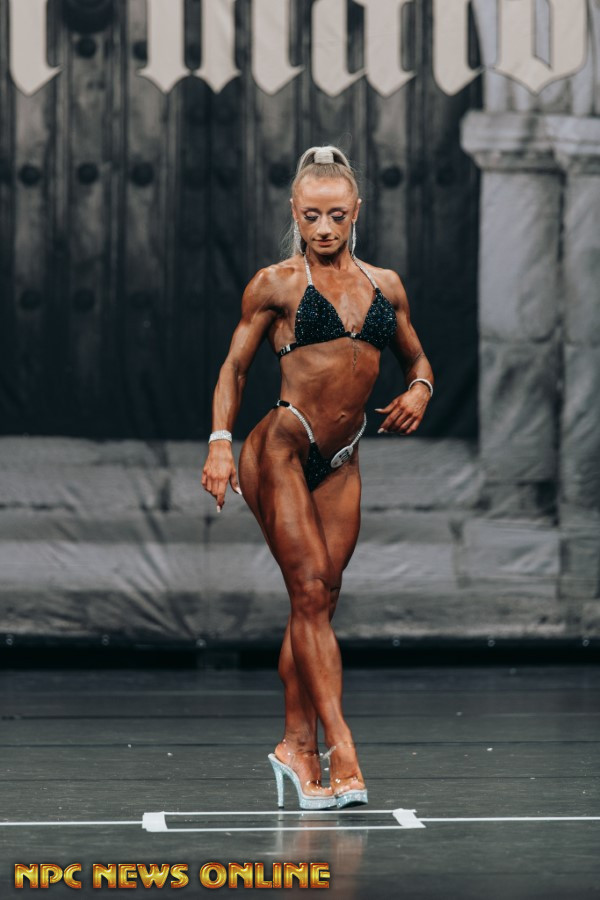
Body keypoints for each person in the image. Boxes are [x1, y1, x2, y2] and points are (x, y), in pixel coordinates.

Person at [201, 145, 434, 810]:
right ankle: (342, 748)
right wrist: (219, 443)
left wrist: (420, 389)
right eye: (310, 216)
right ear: (294, 214)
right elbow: (234, 368)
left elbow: (418, 361)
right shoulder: (275, 284)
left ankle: (294, 746)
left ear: (356, 210)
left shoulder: (386, 286)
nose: (324, 228)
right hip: (279, 445)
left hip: (342, 458)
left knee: (320, 602)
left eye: (335, 215)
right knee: (308, 591)